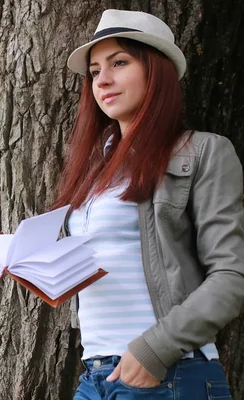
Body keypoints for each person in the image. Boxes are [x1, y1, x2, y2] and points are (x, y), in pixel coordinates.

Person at [54, 9, 244, 399]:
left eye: (119, 63)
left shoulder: (203, 152)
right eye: (94, 71)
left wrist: (152, 351)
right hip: (96, 375)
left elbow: (230, 276)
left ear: (156, 72)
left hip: (168, 372)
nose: (102, 80)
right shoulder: (94, 167)